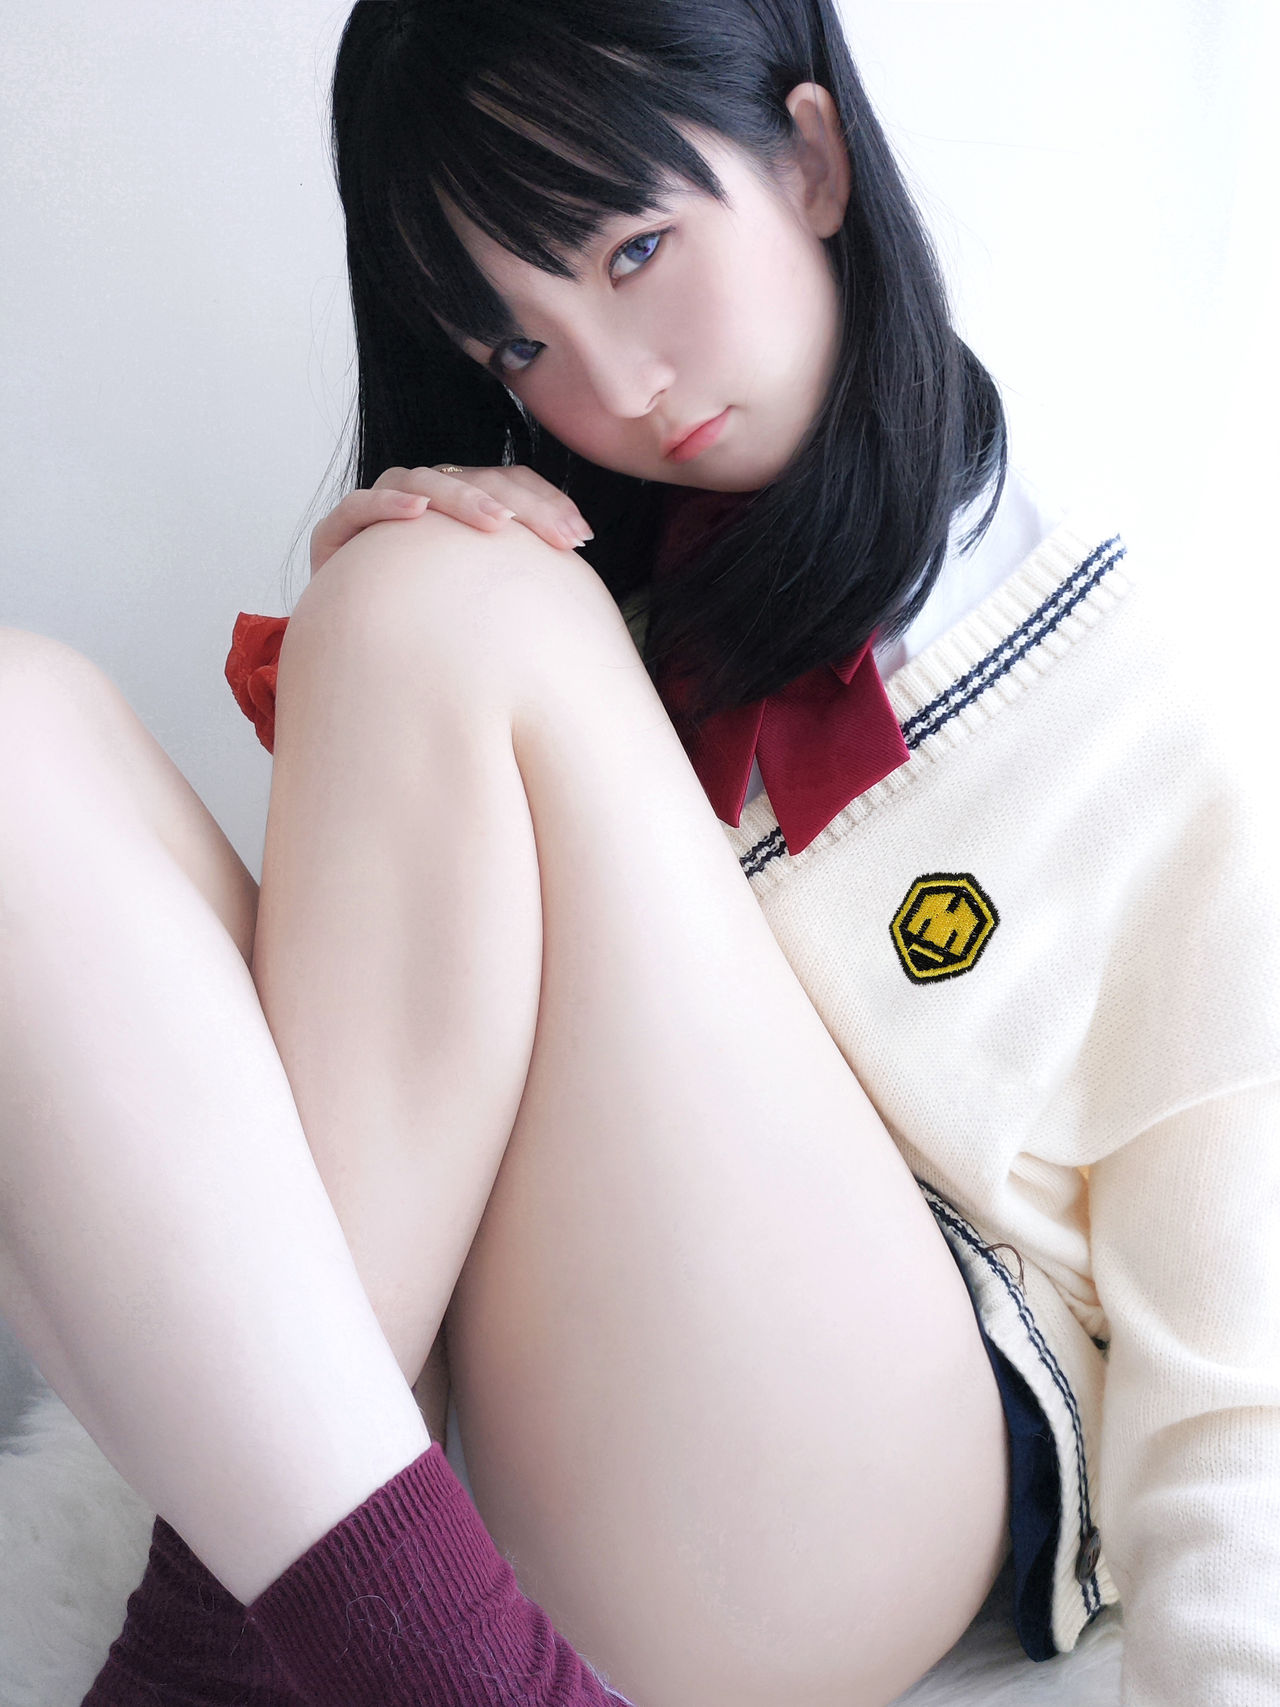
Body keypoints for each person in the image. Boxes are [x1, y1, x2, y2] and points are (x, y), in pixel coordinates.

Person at [0, 1, 1273, 1703]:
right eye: (517, 345)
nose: (608, 389)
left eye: (635, 250)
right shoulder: (585, 602)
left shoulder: (1139, 713)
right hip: (538, 1458)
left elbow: (1248, 1367)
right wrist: (386, 658)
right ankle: (369, 1633)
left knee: (426, 604)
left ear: (810, 163)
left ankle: (212, 1652)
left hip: (888, 1497)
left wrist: (428, 628)